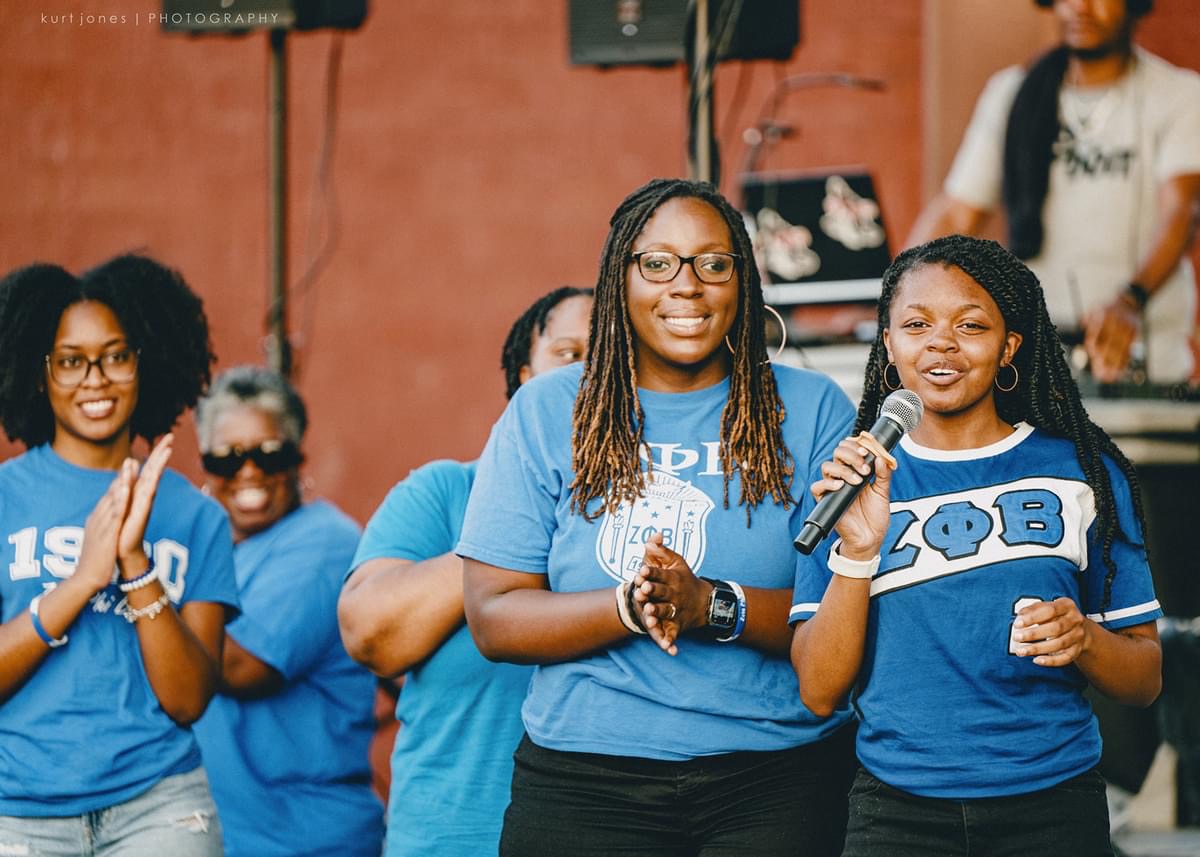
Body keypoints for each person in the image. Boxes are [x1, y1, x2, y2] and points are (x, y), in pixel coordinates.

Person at [457, 178, 858, 857]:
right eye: (658, 262)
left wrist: (708, 604)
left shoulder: (814, 408)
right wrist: (629, 603)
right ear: (621, 279)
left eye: (713, 262)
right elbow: (494, 616)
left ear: (744, 280)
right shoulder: (548, 410)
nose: (687, 285)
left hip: (777, 781)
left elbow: (839, 616)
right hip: (584, 784)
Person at [791, 235, 1163, 856]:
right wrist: (857, 551)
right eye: (916, 324)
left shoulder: (1083, 473)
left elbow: (1145, 679)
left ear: (1009, 346)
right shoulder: (849, 483)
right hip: (896, 813)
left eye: (971, 325)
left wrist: (1084, 638)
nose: (941, 343)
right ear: (888, 344)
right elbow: (819, 691)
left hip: (1053, 805)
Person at [337, 285, 593, 857]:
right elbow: (369, 635)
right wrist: (509, 532)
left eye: (612, 360)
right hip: (450, 839)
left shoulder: (670, 507)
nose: (589, 377)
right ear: (523, 377)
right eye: (570, 355)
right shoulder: (446, 492)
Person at [0, 256, 238, 855]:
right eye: (71, 360)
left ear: (144, 361)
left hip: (160, 807)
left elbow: (188, 700)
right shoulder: (5, 498)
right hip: (17, 814)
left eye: (116, 354)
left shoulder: (197, 516)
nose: (96, 378)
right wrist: (81, 582)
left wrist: (134, 561)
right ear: (39, 373)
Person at [907, 0, 1200, 383]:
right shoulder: (1013, 92)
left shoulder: (1180, 95)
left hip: (1143, 356)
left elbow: (1182, 212)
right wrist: (898, 294)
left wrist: (1131, 301)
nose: (1080, 7)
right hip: (1035, 355)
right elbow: (959, 212)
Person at [191, 366, 383, 857]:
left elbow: (242, 668)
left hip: (299, 839)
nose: (249, 471)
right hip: (219, 836)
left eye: (269, 453)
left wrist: (141, 577)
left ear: (299, 457)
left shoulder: (325, 543)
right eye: (227, 458)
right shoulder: (213, 553)